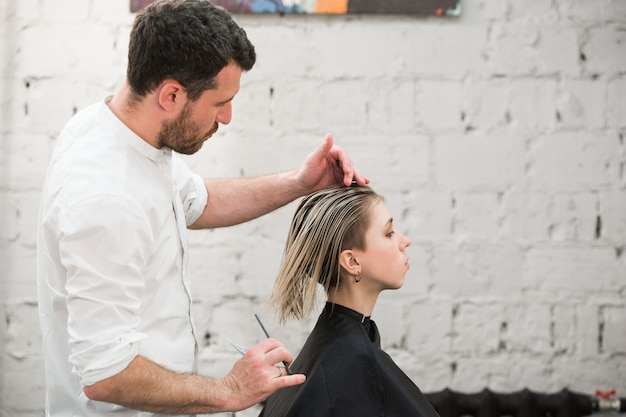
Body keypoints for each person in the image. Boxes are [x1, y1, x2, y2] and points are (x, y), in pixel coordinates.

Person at [36, 1, 369, 416]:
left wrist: (300, 183)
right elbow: (106, 375)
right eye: (219, 103)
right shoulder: (106, 196)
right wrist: (230, 390)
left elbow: (195, 200)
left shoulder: (112, 128)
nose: (227, 118)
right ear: (171, 94)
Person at [258, 184, 440, 417]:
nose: (405, 241)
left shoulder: (325, 347)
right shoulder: (357, 362)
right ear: (352, 262)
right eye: (389, 233)